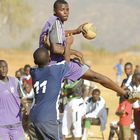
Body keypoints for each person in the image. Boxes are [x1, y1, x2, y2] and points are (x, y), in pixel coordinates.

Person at [39, 0, 137, 98]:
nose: (66, 12)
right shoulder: (56, 22)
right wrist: (75, 52)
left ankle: (125, 93)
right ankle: (125, 93)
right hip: (56, 65)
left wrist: (75, 31)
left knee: (95, 76)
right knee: (95, 76)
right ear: (55, 11)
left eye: (67, 9)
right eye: (62, 10)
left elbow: (57, 36)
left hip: (52, 64)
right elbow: (55, 48)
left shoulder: (53, 21)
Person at [0, 60, 25, 140]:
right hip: (2, 126)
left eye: (5, 66)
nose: (3, 69)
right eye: (1, 67)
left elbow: (22, 97)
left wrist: (25, 107)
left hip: (17, 124)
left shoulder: (15, 81)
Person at [128, 73, 140, 140]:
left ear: (136, 79)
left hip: (139, 111)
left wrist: (132, 95)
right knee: (138, 130)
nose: (131, 79)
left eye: (133, 78)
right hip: (135, 111)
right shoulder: (133, 87)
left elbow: (130, 99)